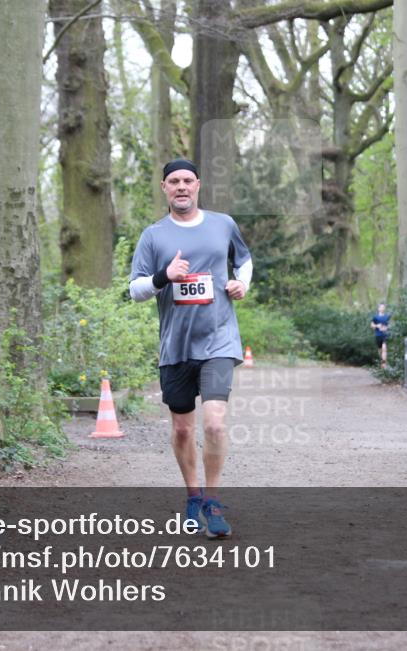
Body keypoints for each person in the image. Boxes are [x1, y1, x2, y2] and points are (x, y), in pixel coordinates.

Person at [129, 158, 252, 539]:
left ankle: (213, 502)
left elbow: (244, 261)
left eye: (187, 180)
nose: (181, 187)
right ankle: (192, 496)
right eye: (173, 181)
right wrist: (164, 276)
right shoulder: (153, 236)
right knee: (183, 430)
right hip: (175, 347)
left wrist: (240, 284)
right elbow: (134, 290)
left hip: (219, 339)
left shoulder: (223, 224)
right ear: (164, 188)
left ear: (198, 185)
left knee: (214, 422)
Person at [371, 303, 391, 368]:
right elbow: (372, 325)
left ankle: (384, 363)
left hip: (385, 335)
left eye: (383, 307)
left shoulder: (387, 316)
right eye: (381, 307)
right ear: (378, 308)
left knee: (384, 348)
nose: (382, 308)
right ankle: (381, 361)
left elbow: (390, 325)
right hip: (378, 335)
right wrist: (377, 325)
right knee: (380, 349)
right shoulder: (375, 317)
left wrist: (387, 328)